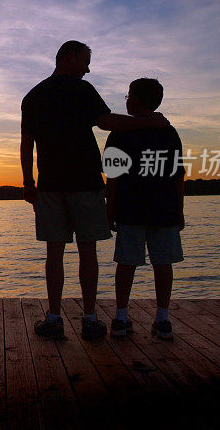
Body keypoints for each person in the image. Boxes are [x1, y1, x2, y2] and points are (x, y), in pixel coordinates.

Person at [21, 41, 169, 340]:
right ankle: (89, 319)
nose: (88, 69)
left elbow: (27, 143)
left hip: (49, 184)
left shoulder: (34, 95)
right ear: (70, 57)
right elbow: (105, 122)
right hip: (85, 182)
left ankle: (54, 318)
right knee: (87, 250)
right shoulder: (82, 90)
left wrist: (28, 182)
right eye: (86, 61)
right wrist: (147, 122)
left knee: (55, 253)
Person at [104, 78, 185, 340]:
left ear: (138, 99)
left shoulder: (120, 132)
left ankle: (121, 316)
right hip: (165, 209)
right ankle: (162, 318)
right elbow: (177, 175)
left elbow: (113, 175)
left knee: (127, 262)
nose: (126, 99)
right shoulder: (168, 131)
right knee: (163, 263)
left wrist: (110, 208)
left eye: (128, 95)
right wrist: (179, 211)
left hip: (130, 208)